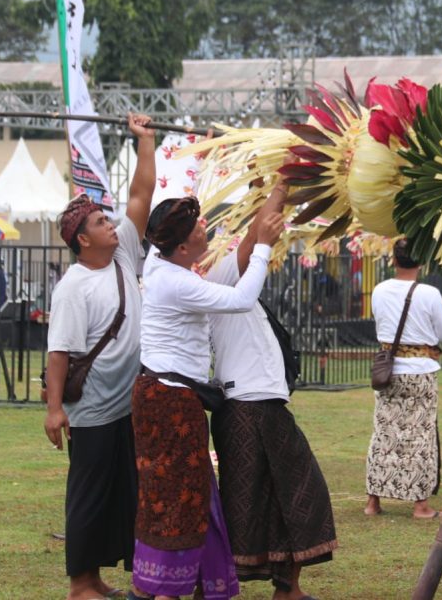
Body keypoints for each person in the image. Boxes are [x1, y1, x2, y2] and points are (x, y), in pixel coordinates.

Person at [132, 195, 284, 600]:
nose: (206, 229)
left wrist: (272, 193)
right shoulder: (176, 282)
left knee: (184, 493)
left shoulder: (162, 261)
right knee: (181, 498)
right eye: (198, 228)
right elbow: (240, 299)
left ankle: (176, 584)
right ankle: (166, 590)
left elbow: (237, 252)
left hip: (164, 395)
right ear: (181, 246)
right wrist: (265, 247)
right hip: (171, 401)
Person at [207, 177, 337, 600]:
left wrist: (275, 189)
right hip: (248, 406)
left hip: (258, 403)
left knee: (283, 498)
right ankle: (223, 585)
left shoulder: (230, 288)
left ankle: (288, 588)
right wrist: (282, 184)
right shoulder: (218, 279)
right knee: (266, 499)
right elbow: (253, 238)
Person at [44, 113, 155, 600]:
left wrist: (145, 140)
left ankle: (97, 578)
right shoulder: (73, 287)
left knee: (122, 492)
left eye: (107, 219)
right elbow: (58, 353)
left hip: (128, 402)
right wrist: (53, 409)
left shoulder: (124, 254)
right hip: (91, 409)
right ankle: (79, 584)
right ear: (81, 239)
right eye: (99, 222)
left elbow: (141, 197)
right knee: (88, 494)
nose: (111, 224)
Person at [365, 238, 442, 519]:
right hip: (420, 370)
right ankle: (420, 505)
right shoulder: (429, 293)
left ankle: (373, 501)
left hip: (389, 370)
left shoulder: (379, 291)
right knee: (421, 435)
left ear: (393, 260)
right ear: (421, 262)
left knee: (384, 432)